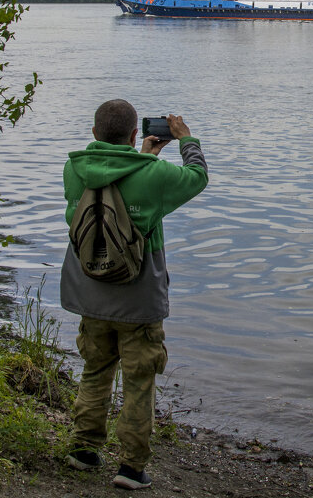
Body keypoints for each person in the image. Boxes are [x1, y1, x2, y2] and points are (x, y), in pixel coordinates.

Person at [60, 99, 208, 490]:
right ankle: (130, 468)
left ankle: (83, 449)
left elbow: (114, 182)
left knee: (94, 370)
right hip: (137, 299)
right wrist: (186, 140)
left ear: (94, 134)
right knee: (139, 380)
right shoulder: (154, 175)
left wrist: (142, 158)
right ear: (132, 136)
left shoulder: (73, 170)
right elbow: (197, 177)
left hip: (90, 294)